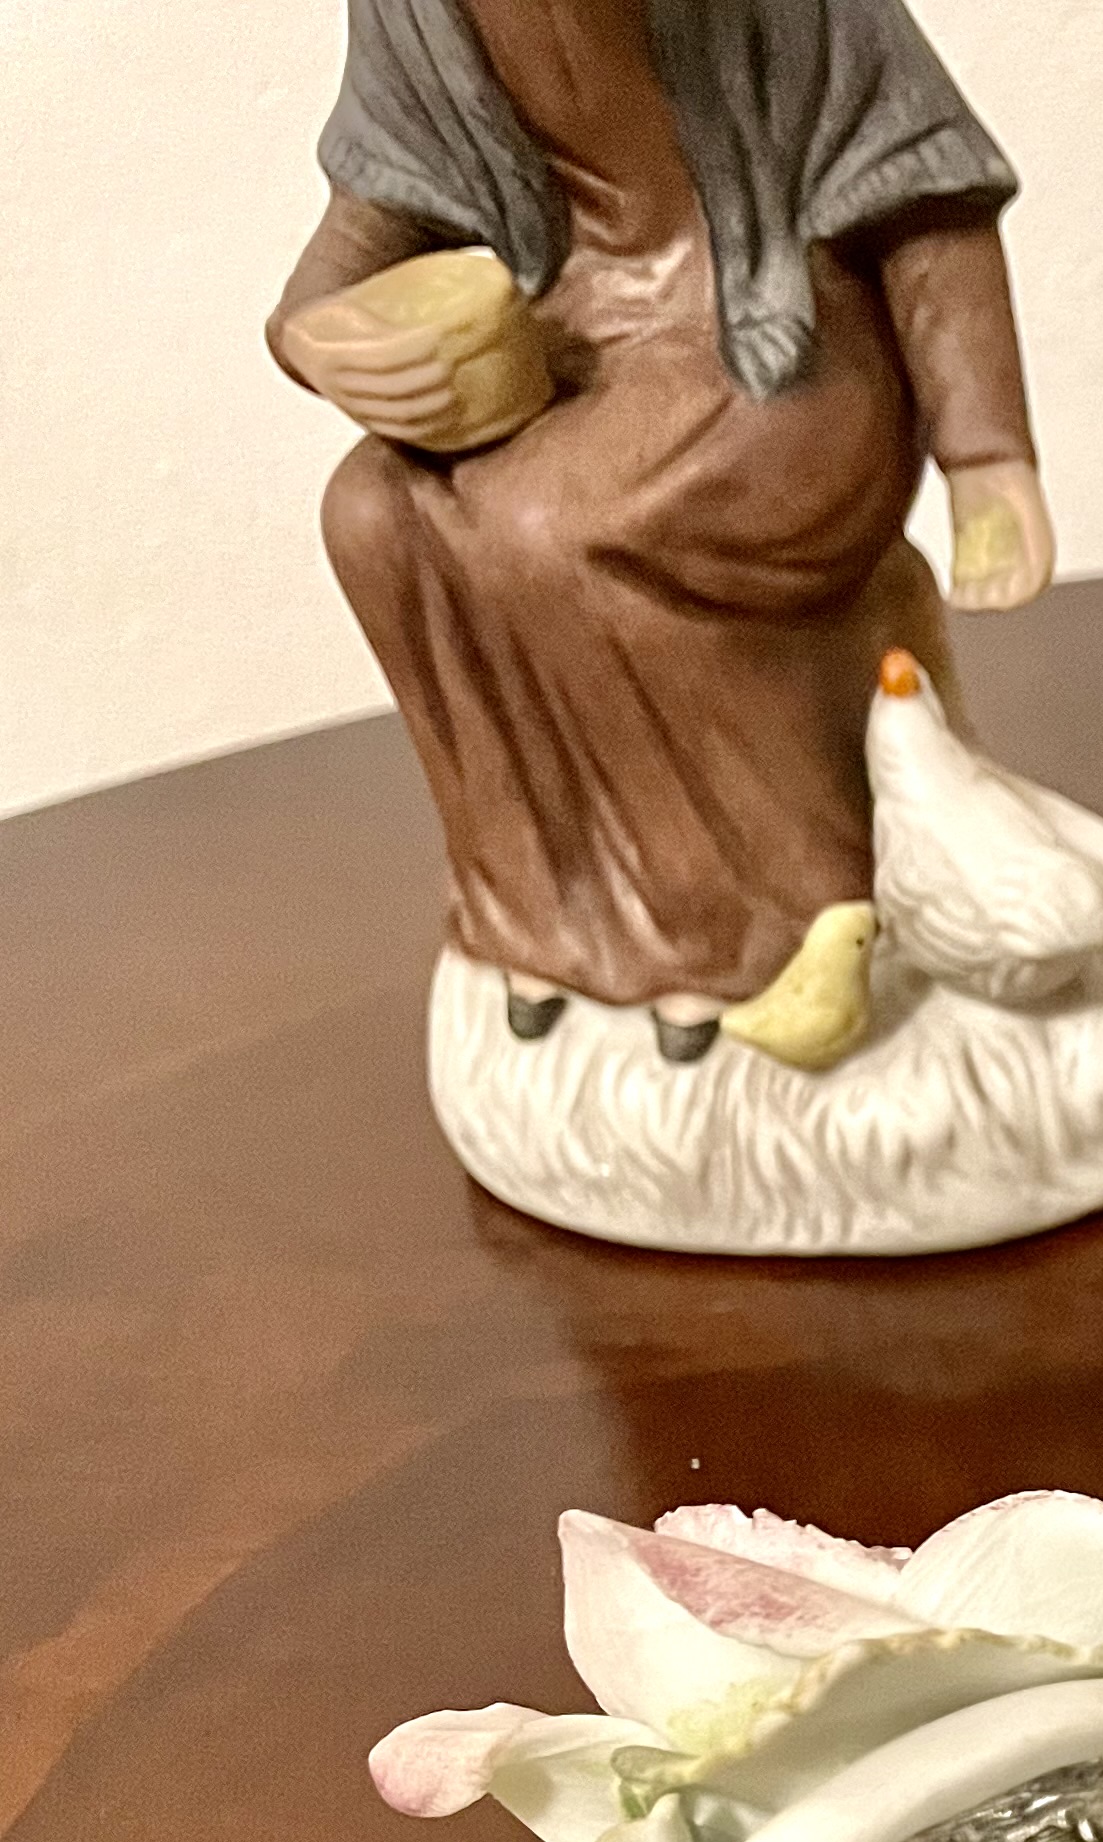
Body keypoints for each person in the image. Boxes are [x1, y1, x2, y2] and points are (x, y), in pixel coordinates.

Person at [270, 0, 1054, 1056]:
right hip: (572, 336)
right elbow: (371, 212)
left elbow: (928, 203)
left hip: (783, 344)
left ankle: (768, 917)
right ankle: (542, 916)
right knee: (371, 515)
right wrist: (318, 334)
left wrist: (986, 455)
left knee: (551, 525)